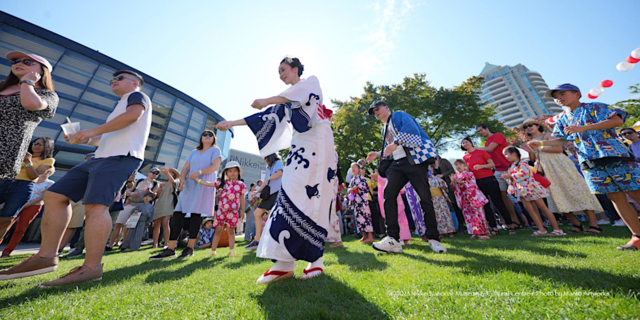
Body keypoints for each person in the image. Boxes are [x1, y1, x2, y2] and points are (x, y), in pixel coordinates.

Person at [0, 69, 151, 286]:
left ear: (135, 82)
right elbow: (106, 138)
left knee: (95, 206)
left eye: (119, 78)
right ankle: (46, 257)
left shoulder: (137, 97)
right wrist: (85, 139)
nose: (113, 82)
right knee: (54, 195)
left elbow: (132, 116)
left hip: (121, 158)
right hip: (100, 157)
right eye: (112, 79)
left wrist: (91, 131)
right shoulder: (120, 106)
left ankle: (91, 268)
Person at [215, 57, 335, 283]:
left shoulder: (310, 82)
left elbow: (290, 97)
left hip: (319, 140)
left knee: (317, 193)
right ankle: (284, 261)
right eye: (278, 71)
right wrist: (232, 123)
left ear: (296, 68)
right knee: (290, 190)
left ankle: (315, 259)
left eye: (283, 69)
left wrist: (268, 99)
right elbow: (263, 117)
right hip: (300, 145)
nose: (281, 74)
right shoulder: (285, 102)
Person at [528, 83, 640, 250]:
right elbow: (563, 140)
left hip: (615, 156)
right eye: (555, 96)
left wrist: (583, 128)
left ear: (577, 94)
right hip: (590, 162)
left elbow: (617, 120)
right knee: (615, 197)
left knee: (635, 192)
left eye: (562, 93)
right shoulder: (562, 118)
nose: (559, 97)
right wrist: (542, 142)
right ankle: (637, 237)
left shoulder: (595, 107)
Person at [366, 100, 446, 254]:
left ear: (386, 107)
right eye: (373, 112)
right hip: (397, 164)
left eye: (377, 109)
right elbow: (390, 150)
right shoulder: (384, 130)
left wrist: (395, 144)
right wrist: (378, 154)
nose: (376, 112)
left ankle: (434, 238)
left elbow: (412, 130)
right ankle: (393, 239)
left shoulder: (399, 115)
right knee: (389, 195)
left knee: (425, 198)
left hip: (414, 161)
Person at [0, 51, 58, 234]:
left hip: (5, 155)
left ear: (42, 71)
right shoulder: (2, 87)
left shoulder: (47, 95)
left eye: (27, 62)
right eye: (16, 61)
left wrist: (27, 82)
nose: (19, 63)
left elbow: (31, 104)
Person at [518, 118, 603, 234]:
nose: (528, 128)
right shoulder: (530, 141)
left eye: (530, 125)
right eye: (526, 127)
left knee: (578, 191)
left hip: (560, 165)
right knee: (558, 196)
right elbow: (533, 159)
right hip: (547, 168)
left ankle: (594, 225)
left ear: (538, 126)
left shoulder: (547, 135)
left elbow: (558, 149)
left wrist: (539, 147)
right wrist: (528, 151)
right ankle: (576, 224)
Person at [149, 129, 221, 260]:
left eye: (211, 135)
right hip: (189, 184)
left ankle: (189, 248)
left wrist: (199, 172)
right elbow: (186, 167)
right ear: (201, 138)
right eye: (205, 134)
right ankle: (170, 248)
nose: (208, 136)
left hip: (202, 183)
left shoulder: (215, 150)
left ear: (214, 138)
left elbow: (215, 166)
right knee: (178, 214)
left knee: (195, 214)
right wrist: (182, 180)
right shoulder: (194, 152)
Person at [0, 136, 55, 240]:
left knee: (6, 219)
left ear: (47, 147)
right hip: (5, 182)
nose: (36, 146)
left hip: (22, 186)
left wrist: (28, 162)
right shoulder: (21, 153)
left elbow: (33, 176)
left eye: (40, 144)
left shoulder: (48, 160)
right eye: (35, 143)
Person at [502, 147, 565, 236]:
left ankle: (557, 229)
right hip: (522, 190)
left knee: (543, 207)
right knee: (530, 210)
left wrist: (511, 176)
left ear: (513, 154)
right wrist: (509, 177)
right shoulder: (513, 166)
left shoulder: (523, 163)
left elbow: (524, 174)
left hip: (531, 188)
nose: (505, 157)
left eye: (506, 154)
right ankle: (541, 229)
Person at [461, 137, 517, 235]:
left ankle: (510, 225)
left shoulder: (481, 152)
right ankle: (494, 228)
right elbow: (468, 171)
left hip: (489, 179)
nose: (465, 144)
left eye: (466, 142)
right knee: (485, 206)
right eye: (463, 143)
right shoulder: (465, 157)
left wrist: (482, 166)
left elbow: (492, 164)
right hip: (477, 182)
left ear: (471, 142)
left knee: (498, 202)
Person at [1, 167, 55, 257]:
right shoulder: (31, 179)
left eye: (49, 170)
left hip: (34, 206)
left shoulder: (50, 183)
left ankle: (7, 251)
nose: (46, 172)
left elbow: (43, 197)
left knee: (21, 228)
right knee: (5, 223)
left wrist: (27, 205)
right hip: (18, 203)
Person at [476, 124, 521, 226]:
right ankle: (514, 221)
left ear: (487, 128)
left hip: (509, 167)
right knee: (502, 195)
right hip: (497, 170)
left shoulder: (497, 136)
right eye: (479, 132)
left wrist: (473, 149)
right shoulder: (487, 142)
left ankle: (538, 220)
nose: (481, 132)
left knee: (522, 193)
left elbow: (489, 149)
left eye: (481, 130)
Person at [201, 161, 247, 257]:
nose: (233, 173)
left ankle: (231, 250)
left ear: (238, 172)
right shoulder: (222, 183)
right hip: (221, 211)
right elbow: (210, 184)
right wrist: (198, 181)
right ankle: (213, 251)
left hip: (233, 212)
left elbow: (242, 198)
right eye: (230, 171)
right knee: (218, 230)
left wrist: (242, 210)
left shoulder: (241, 184)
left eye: (235, 171)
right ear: (226, 173)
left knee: (231, 231)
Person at [108, 168, 160, 249]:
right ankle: (110, 244)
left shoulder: (155, 183)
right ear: (149, 172)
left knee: (129, 226)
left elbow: (154, 195)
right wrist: (132, 194)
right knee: (118, 223)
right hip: (130, 203)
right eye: (153, 172)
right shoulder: (139, 180)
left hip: (139, 207)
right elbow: (128, 191)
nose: (154, 174)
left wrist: (149, 191)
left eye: (157, 174)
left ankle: (124, 244)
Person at [244, 153, 283, 251]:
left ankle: (270, 241)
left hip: (276, 192)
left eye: (265, 157)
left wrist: (268, 178)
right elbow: (265, 182)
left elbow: (279, 173)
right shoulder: (268, 168)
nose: (265, 160)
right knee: (257, 213)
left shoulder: (278, 162)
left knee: (271, 217)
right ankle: (257, 240)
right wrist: (257, 191)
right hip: (268, 193)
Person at [451, 160, 491, 239]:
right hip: (464, 198)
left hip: (473, 197)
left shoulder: (469, 174)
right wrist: (453, 182)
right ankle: (475, 232)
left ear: (464, 165)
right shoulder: (456, 176)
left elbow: (472, 184)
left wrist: (461, 182)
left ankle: (484, 233)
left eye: (460, 164)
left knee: (478, 214)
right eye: (456, 165)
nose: (458, 166)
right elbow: (455, 188)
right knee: (468, 216)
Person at [434, 156, 465, 234]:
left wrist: (442, 175)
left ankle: (461, 226)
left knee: (456, 206)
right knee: (446, 208)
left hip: (450, 187)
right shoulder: (431, 165)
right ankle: (450, 227)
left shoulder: (444, 161)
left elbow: (452, 170)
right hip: (440, 189)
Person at [152, 166, 180, 248]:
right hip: (159, 204)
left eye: (172, 172)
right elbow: (158, 194)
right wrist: (159, 188)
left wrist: (167, 173)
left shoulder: (176, 181)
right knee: (156, 224)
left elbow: (173, 181)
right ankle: (155, 244)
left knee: (165, 223)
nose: (170, 173)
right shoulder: (162, 183)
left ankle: (166, 243)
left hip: (168, 204)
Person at [347, 163, 374, 243]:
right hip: (356, 202)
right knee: (359, 219)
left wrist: (357, 188)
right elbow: (349, 188)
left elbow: (365, 188)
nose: (353, 169)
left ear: (358, 169)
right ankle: (363, 236)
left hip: (362, 201)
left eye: (355, 167)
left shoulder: (361, 178)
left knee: (366, 218)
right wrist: (350, 190)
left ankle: (370, 236)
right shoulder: (352, 179)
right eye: (352, 168)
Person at [427, 167, 456, 237]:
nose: (430, 170)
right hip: (432, 199)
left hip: (440, 198)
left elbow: (445, 186)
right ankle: (441, 232)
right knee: (437, 215)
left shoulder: (437, 179)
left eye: (431, 169)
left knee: (445, 213)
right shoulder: (424, 180)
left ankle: (450, 231)